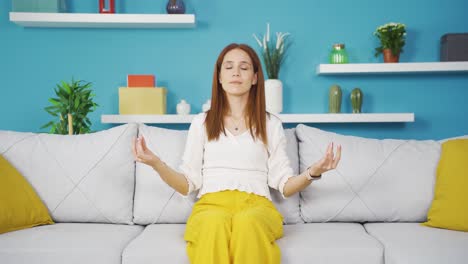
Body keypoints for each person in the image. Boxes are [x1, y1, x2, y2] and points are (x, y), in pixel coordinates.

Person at [132, 43, 342, 264]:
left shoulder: (270, 124)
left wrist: (313, 172)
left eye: (244, 67)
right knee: (213, 224)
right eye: (229, 67)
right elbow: (187, 184)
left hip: (257, 206)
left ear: (254, 78)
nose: (235, 72)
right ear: (219, 77)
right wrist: (156, 163)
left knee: (247, 223)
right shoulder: (201, 122)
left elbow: (285, 185)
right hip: (211, 205)